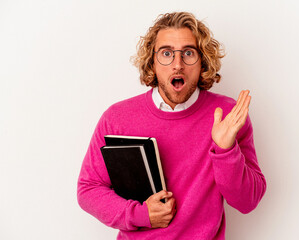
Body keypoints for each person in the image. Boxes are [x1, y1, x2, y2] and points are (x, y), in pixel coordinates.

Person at [77, 11, 266, 239]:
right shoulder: (116, 118)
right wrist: (140, 214)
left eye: (188, 53)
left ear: (203, 61)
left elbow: (248, 201)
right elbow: (88, 189)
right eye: (166, 53)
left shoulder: (227, 115)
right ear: (153, 61)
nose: (178, 65)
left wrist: (226, 150)